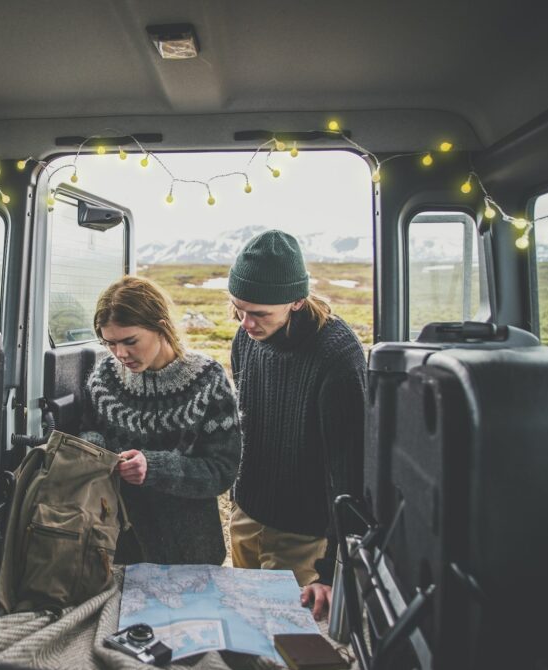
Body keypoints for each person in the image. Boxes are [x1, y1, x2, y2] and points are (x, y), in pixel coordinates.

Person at [226, 230, 366, 620]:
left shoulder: (338, 357)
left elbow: (350, 471)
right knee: (244, 623)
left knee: (286, 639)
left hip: (304, 535)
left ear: (298, 301)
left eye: (259, 314)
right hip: (247, 515)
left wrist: (332, 567)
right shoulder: (246, 337)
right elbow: (249, 421)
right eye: (238, 309)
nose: (246, 323)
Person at [79, 275, 242, 565]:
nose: (120, 354)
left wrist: (154, 468)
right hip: (118, 545)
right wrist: (96, 453)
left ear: (161, 327)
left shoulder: (207, 380)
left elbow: (222, 470)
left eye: (130, 341)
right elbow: (88, 431)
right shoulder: (103, 378)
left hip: (190, 549)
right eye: (110, 343)